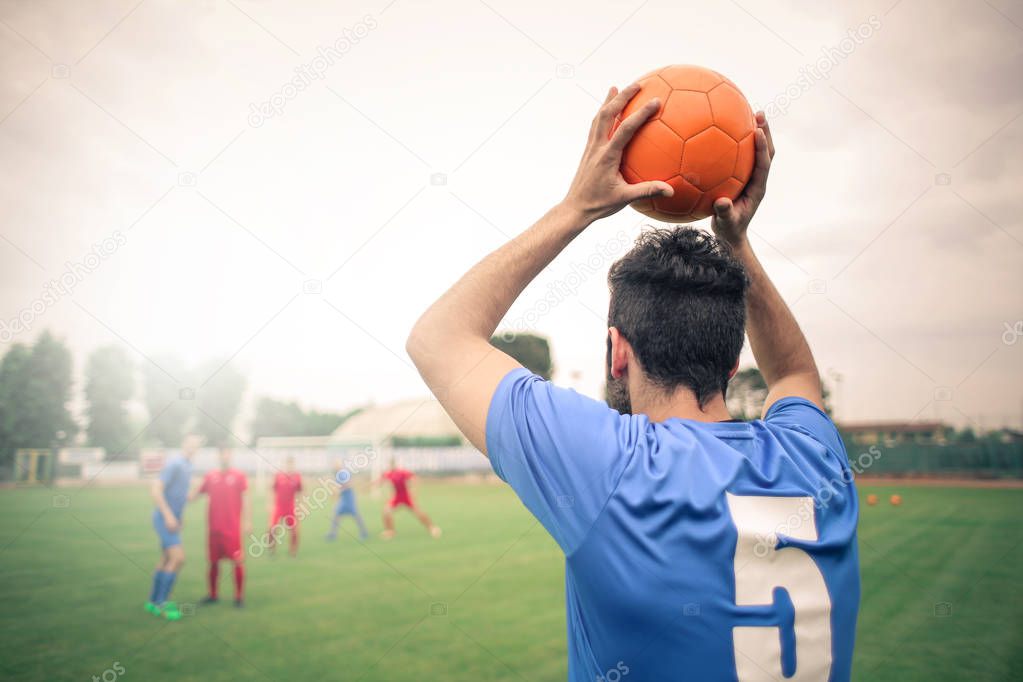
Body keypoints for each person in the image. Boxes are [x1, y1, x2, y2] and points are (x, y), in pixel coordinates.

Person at [406, 84, 859, 681]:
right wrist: (737, 245)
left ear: (618, 352)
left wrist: (578, 207)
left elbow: (437, 337)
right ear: (731, 362)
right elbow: (796, 372)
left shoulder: (614, 466)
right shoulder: (815, 459)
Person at [145, 434, 201, 620]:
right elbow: (156, 489)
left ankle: (152, 603)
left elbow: (178, 495)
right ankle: (163, 603)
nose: (193, 448)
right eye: (190, 444)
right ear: (184, 444)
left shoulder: (188, 465)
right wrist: (169, 516)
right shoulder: (175, 464)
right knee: (178, 558)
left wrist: (180, 516)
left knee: (166, 558)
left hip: (173, 520)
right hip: (163, 518)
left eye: (196, 445)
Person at [192, 447, 250, 607]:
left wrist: (247, 522)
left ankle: (239, 597)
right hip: (214, 528)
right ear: (218, 457)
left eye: (227, 454)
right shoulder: (210, 476)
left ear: (231, 456)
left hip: (232, 529)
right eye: (222, 454)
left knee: (237, 561)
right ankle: (213, 594)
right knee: (213, 562)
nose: (225, 457)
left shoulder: (239, 476)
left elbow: (246, 499)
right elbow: (194, 495)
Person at [377, 459, 440, 539]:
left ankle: (432, 528)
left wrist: (414, 491)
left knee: (419, 513)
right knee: (386, 512)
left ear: (395, 464)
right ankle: (390, 531)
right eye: (390, 464)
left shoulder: (402, 472)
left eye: (392, 464)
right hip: (397, 497)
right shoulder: (389, 473)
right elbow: (379, 482)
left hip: (406, 496)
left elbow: (415, 479)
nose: (391, 466)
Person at [267, 456, 302, 556]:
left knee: (294, 530)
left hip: (290, 507)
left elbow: (300, 492)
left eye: (291, 464)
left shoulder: (297, 477)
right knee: (272, 528)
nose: (289, 466)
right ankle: (271, 550)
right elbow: (271, 489)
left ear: (293, 465)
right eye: (288, 464)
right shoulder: (278, 475)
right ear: (285, 465)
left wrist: (300, 505)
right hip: (278, 507)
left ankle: (293, 550)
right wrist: (270, 504)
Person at [325, 460, 368, 541]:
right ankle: (332, 534)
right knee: (336, 515)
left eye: (335, 464)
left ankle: (364, 532)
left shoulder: (343, 473)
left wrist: (339, 490)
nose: (334, 466)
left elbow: (349, 484)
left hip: (349, 498)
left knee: (355, 515)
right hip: (343, 499)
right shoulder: (337, 474)